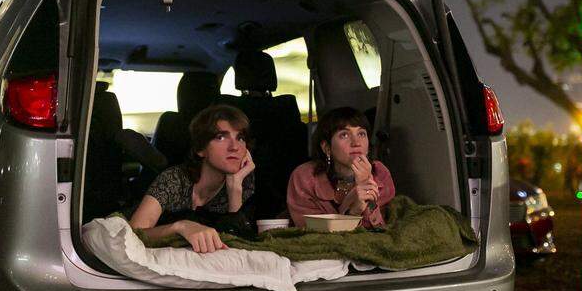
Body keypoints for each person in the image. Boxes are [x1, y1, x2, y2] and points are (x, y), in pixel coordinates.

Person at [129, 104, 256, 253]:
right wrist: (179, 227)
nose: (234, 147)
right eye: (221, 137)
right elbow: (132, 236)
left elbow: (241, 249)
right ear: (200, 149)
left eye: (240, 138)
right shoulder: (174, 180)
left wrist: (235, 190)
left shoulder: (243, 181)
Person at [286, 107, 395, 229]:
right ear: (327, 147)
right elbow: (312, 232)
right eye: (344, 135)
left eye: (361, 134)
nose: (356, 143)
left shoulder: (380, 173)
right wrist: (352, 212)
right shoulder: (305, 177)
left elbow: (381, 230)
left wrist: (366, 184)